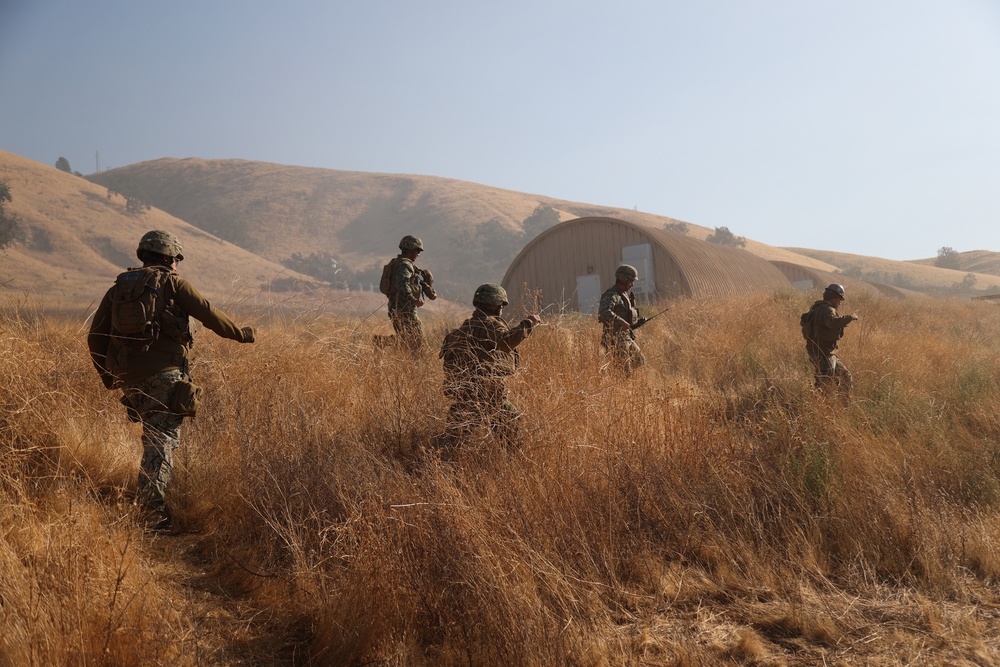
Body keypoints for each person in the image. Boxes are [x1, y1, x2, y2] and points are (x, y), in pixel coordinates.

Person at [87, 230, 256, 531]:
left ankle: (148, 504)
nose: (177, 264)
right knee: (161, 441)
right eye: (176, 259)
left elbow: (95, 338)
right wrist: (240, 334)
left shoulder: (119, 289)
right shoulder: (173, 283)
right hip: (163, 376)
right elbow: (209, 314)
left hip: (129, 379)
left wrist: (109, 377)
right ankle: (150, 515)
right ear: (169, 257)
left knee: (154, 438)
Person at [438, 283, 541, 448]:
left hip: (464, 393)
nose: (502, 309)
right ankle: (514, 465)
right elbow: (507, 342)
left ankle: (429, 462)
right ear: (493, 305)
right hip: (489, 394)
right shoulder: (491, 324)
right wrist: (528, 324)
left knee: (452, 440)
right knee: (513, 437)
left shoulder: (466, 326)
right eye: (501, 305)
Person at [803, 283, 859, 395]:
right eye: (839, 300)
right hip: (823, 353)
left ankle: (843, 406)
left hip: (822, 352)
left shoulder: (816, 308)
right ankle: (818, 408)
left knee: (845, 377)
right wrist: (850, 317)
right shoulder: (828, 310)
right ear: (834, 298)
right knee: (824, 386)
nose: (839, 303)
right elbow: (832, 323)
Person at [383, 235, 435, 353]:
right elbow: (402, 284)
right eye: (417, 250)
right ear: (409, 249)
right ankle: (414, 364)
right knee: (416, 340)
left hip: (397, 307)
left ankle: (382, 342)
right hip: (404, 309)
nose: (418, 254)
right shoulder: (405, 265)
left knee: (406, 340)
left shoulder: (398, 263)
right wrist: (412, 299)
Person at [598, 264, 646, 377]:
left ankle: (617, 375)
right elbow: (604, 311)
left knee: (639, 360)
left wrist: (636, 323)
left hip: (626, 337)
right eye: (630, 281)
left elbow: (625, 318)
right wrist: (620, 322)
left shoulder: (624, 295)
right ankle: (619, 382)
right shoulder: (611, 295)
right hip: (614, 339)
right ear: (623, 280)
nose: (632, 284)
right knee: (624, 372)